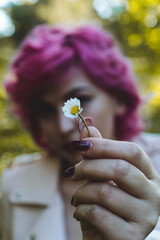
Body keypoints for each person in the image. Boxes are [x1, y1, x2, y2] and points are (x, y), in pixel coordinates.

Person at [0, 24, 160, 240]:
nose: (64, 127)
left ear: (119, 98)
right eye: (45, 110)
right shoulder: (13, 186)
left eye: (81, 99)